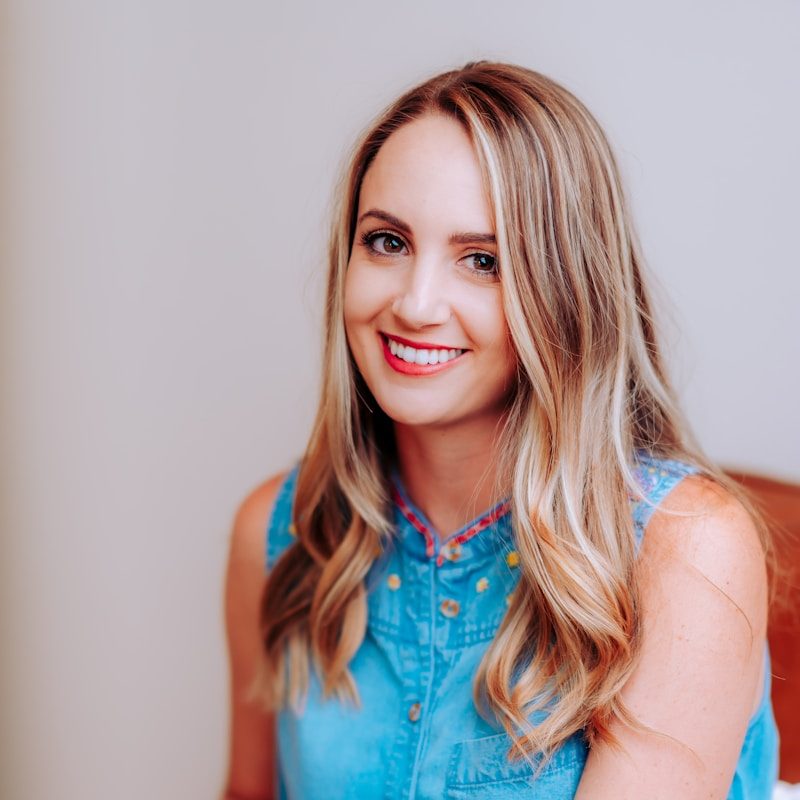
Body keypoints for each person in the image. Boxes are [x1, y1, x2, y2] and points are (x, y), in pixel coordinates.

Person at [221, 62, 779, 800]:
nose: (416, 305)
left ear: (566, 293)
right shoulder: (278, 533)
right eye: (386, 242)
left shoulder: (688, 550)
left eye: (482, 261)